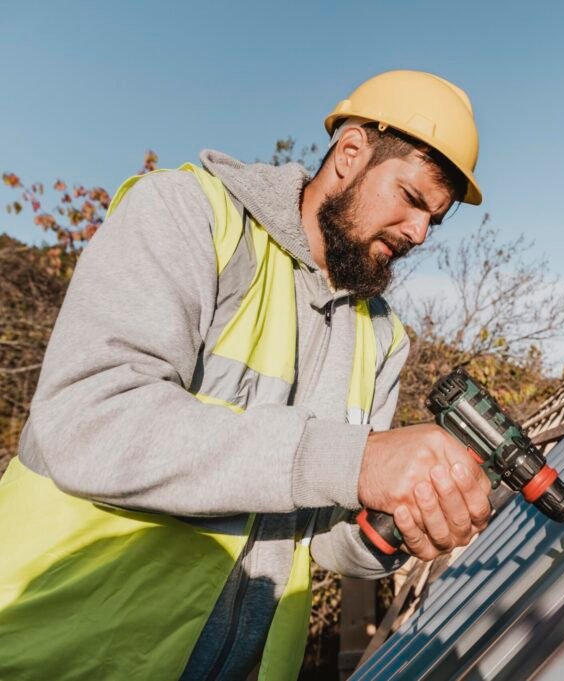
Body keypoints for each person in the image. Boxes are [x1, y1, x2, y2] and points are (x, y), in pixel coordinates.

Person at [0, 70, 490, 680]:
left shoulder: (382, 336)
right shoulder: (188, 216)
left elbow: (322, 538)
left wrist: (395, 524)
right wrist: (356, 460)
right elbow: (87, 423)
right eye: (412, 199)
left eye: (433, 221)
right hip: (55, 656)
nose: (418, 233)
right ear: (352, 152)